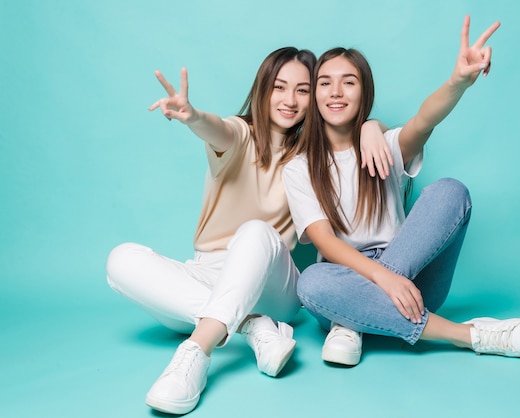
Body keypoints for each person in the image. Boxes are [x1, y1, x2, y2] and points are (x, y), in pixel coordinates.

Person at [106, 47, 389, 415]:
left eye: (302, 90)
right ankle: (252, 327)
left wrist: (371, 127)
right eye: (279, 87)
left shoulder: (313, 153)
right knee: (121, 260)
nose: (289, 100)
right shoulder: (240, 135)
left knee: (255, 231)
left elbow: (377, 134)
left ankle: (196, 352)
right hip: (206, 274)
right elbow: (218, 129)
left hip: (273, 283)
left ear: (314, 98)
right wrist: (194, 118)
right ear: (262, 90)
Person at [282, 16, 520, 367]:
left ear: (365, 93)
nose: (336, 92)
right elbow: (324, 241)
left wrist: (457, 83)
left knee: (451, 190)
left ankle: (350, 323)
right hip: (345, 280)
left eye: (349, 82)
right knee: (311, 283)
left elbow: (425, 119)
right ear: (314, 95)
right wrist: (383, 279)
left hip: (413, 281)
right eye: (325, 83)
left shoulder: (384, 144)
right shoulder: (298, 168)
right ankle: (470, 335)